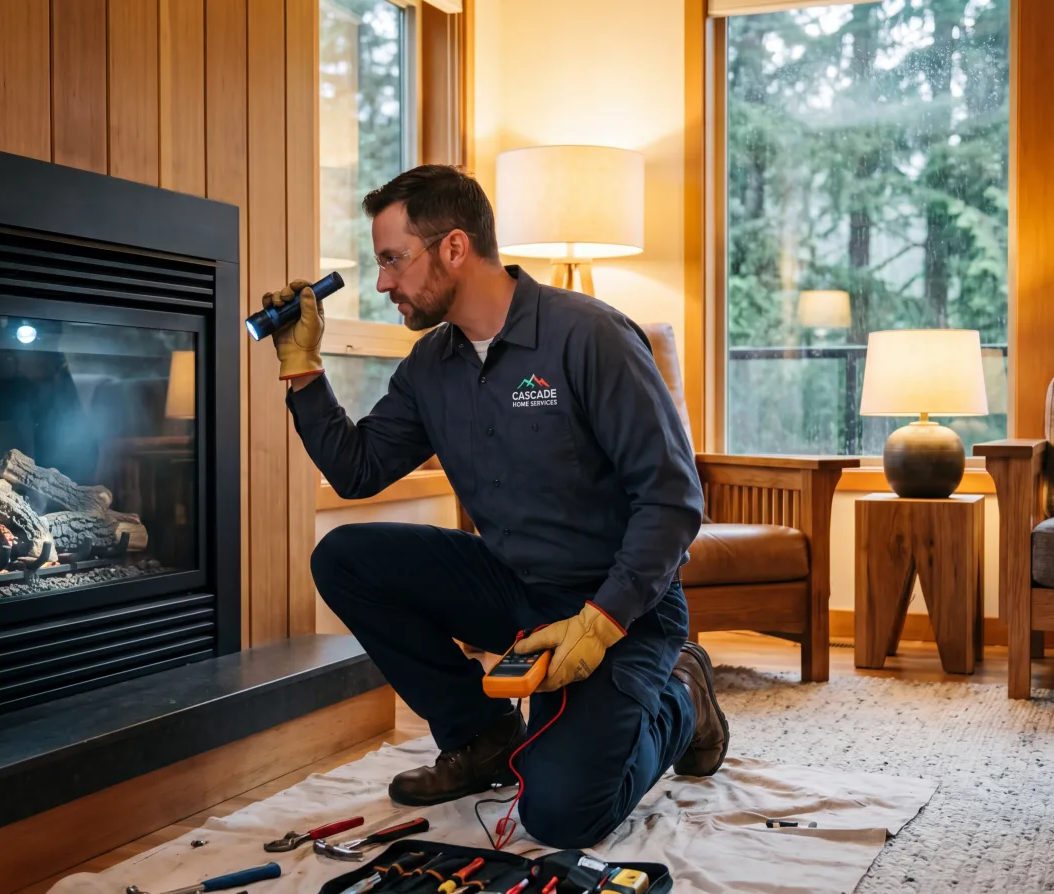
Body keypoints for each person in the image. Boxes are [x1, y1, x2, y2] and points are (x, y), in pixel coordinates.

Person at [264, 164, 728, 849]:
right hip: (514, 587)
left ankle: (683, 695)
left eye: (393, 259)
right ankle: (480, 737)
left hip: (621, 609)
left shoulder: (590, 336)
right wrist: (303, 367)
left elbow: (672, 498)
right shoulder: (431, 365)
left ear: (454, 247)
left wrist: (602, 620)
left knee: (562, 814)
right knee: (346, 557)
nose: (384, 282)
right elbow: (358, 471)